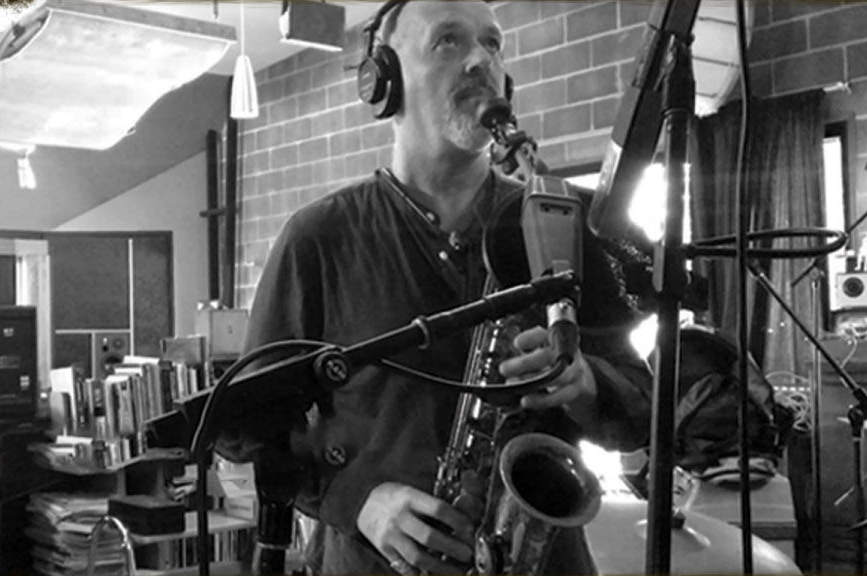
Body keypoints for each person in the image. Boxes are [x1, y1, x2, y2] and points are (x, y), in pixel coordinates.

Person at [216, 1, 653, 574]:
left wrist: (587, 383)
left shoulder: (560, 221)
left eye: (492, 43)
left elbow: (642, 407)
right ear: (384, 82)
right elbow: (247, 431)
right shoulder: (318, 237)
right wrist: (356, 501)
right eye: (448, 41)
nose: (480, 60)